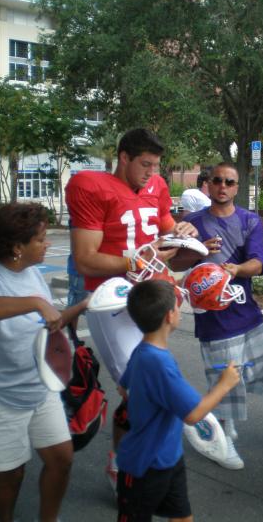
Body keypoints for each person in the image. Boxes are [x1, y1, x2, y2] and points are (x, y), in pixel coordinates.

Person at [65, 127, 197, 491]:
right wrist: (139, 259)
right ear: (123, 157)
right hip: (111, 298)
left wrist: (184, 232)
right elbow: (86, 260)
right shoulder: (91, 186)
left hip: (149, 295)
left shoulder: (156, 186)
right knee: (137, 388)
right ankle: (126, 462)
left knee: (143, 384)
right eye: (145, 164)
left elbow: (167, 230)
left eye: (156, 165)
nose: (151, 173)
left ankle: (129, 459)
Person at [117, 279, 240, 522]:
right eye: (176, 306)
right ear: (169, 316)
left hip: (168, 456)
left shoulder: (143, 350)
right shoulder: (158, 363)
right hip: (145, 465)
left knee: (182, 517)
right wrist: (224, 384)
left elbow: (123, 387)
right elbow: (194, 414)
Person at [0, 202, 88, 522]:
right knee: (10, 477)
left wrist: (88, 303)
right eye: (39, 239)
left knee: (62, 459)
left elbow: (50, 323)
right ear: (16, 246)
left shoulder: (33, 275)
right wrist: (35, 303)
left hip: (40, 386)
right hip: (4, 398)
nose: (46, 243)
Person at [183, 162, 263, 470]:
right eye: (217, 180)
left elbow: (258, 263)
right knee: (226, 376)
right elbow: (175, 263)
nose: (223, 186)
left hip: (245, 309)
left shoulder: (249, 220)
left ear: (236, 187)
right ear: (207, 184)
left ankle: (220, 411)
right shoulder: (192, 222)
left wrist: (236, 269)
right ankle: (222, 435)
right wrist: (198, 249)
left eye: (229, 181)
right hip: (213, 314)